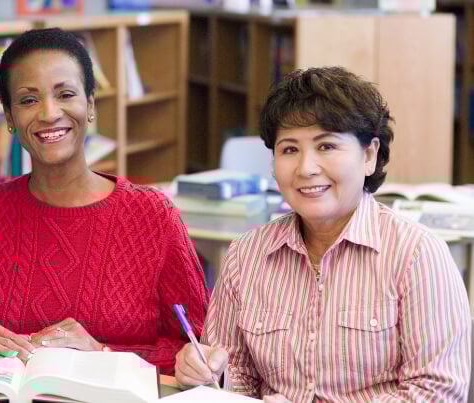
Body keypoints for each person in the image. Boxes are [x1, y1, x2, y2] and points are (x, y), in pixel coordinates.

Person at [175, 66, 471, 401]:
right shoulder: (246, 255)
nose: (306, 168)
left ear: (369, 156)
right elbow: (236, 376)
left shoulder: (416, 254)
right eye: (289, 150)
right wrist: (209, 374)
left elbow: (438, 391)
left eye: (326, 146)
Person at [0, 28, 211, 374]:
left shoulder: (153, 215)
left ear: (90, 105)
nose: (49, 113)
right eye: (28, 100)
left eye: (65, 94)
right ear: (9, 118)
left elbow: (198, 349)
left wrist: (102, 353)